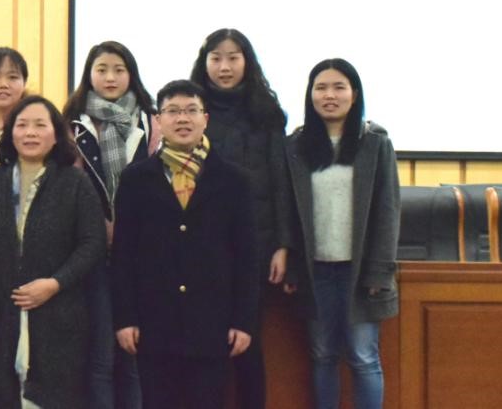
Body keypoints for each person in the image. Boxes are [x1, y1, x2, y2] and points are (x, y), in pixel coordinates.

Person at [112, 80, 257, 409]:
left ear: (205, 119)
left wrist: (243, 321)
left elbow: (247, 258)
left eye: (191, 110)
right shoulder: (136, 179)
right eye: (173, 111)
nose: (182, 118)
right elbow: (123, 255)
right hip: (153, 324)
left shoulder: (235, 181)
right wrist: (125, 318)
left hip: (212, 324)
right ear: (158, 120)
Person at [0, 95, 106, 409]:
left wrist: (55, 283)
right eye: (22, 125)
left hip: (59, 317)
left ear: (56, 135)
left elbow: (93, 243)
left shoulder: (75, 183)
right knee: (1, 396)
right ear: (10, 133)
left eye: (40, 125)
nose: (30, 132)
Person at [283, 59, 400, 409]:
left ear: (354, 94)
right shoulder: (295, 146)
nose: (329, 95)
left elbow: (388, 210)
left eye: (339, 87)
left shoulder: (375, 144)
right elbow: (287, 211)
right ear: (310, 95)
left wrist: (379, 271)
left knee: (363, 356)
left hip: (359, 271)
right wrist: (292, 267)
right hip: (315, 270)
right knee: (323, 354)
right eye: (321, 88)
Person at [188, 28, 292, 409]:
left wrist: (283, 245)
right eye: (216, 58)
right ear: (205, 63)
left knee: (249, 343)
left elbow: (281, 183)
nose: (224, 67)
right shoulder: (191, 113)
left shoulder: (266, 115)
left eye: (233, 58)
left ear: (247, 61)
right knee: (205, 347)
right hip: (203, 250)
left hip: (257, 248)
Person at [63, 41, 157, 409]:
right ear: (89, 75)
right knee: (101, 357)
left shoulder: (151, 123)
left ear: (131, 74)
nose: (110, 77)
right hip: (93, 255)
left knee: (134, 357)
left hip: (143, 256)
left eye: (119, 69)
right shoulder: (72, 125)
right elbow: (66, 189)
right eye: (101, 69)